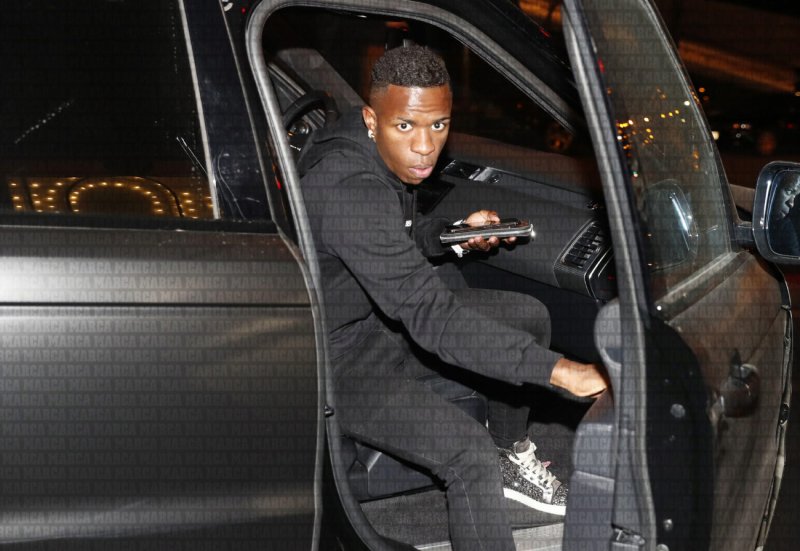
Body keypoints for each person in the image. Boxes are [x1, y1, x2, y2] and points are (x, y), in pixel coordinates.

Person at [299, 45, 606, 550]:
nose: (425, 147)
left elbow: (396, 234)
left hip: (380, 324)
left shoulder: (375, 151)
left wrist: (453, 234)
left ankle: (511, 455)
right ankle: (490, 463)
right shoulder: (347, 188)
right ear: (372, 119)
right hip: (338, 364)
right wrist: (562, 372)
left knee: (527, 315)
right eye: (406, 126)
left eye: (438, 125)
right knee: (468, 455)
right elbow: (430, 316)